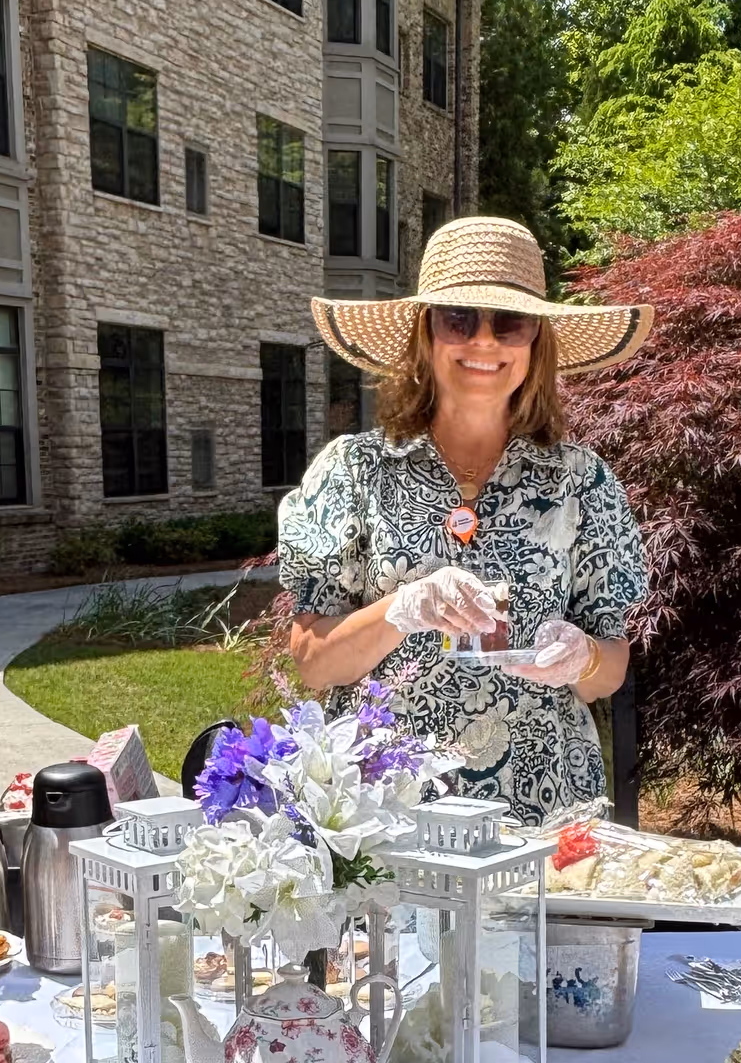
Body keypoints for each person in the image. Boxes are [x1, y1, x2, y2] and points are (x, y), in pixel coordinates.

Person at [279, 215, 652, 823]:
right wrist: (401, 608)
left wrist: (580, 656)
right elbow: (315, 661)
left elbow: (609, 669)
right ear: (425, 335)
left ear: (536, 342)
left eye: (510, 322)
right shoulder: (354, 471)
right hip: (389, 813)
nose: (484, 342)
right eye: (458, 319)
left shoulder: (580, 480)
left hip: (546, 814)